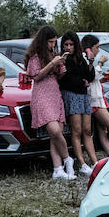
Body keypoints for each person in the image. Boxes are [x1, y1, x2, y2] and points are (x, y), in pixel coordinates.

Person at [23, 26, 72, 179]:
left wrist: (61, 66)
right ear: (43, 41)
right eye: (50, 42)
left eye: (54, 42)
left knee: (54, 135)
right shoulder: (35, 57)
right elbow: (36, 76)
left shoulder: (54, 55)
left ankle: (57, 169)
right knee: (55, 130)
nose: (52, 45)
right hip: (41, 94)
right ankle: (68, 159)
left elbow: (59, 77)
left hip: (54, 93)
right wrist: (52, 64)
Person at [57, 30, 96, 176]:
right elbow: (68, 80)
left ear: (76, 45)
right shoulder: (62, 60)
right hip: (71, 95)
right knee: (76, 130)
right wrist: (82, 83)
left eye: (71, 44)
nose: (68, 47)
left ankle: (94, 161)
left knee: (87, 130)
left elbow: (89, 77)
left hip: (82, 96)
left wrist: (91, 62)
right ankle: (81, 162)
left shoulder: (80, 59)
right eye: (65, 44)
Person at [82, 35, 109, 155]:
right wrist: (101, 63)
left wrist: (102, 79)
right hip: (94, 100)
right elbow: (90, 75)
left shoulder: (89, 59)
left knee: (102, 129)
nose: (98, 50)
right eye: (97, 47)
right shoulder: (85, 58)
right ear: (90, 48)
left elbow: (94, 79)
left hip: (98, 97)